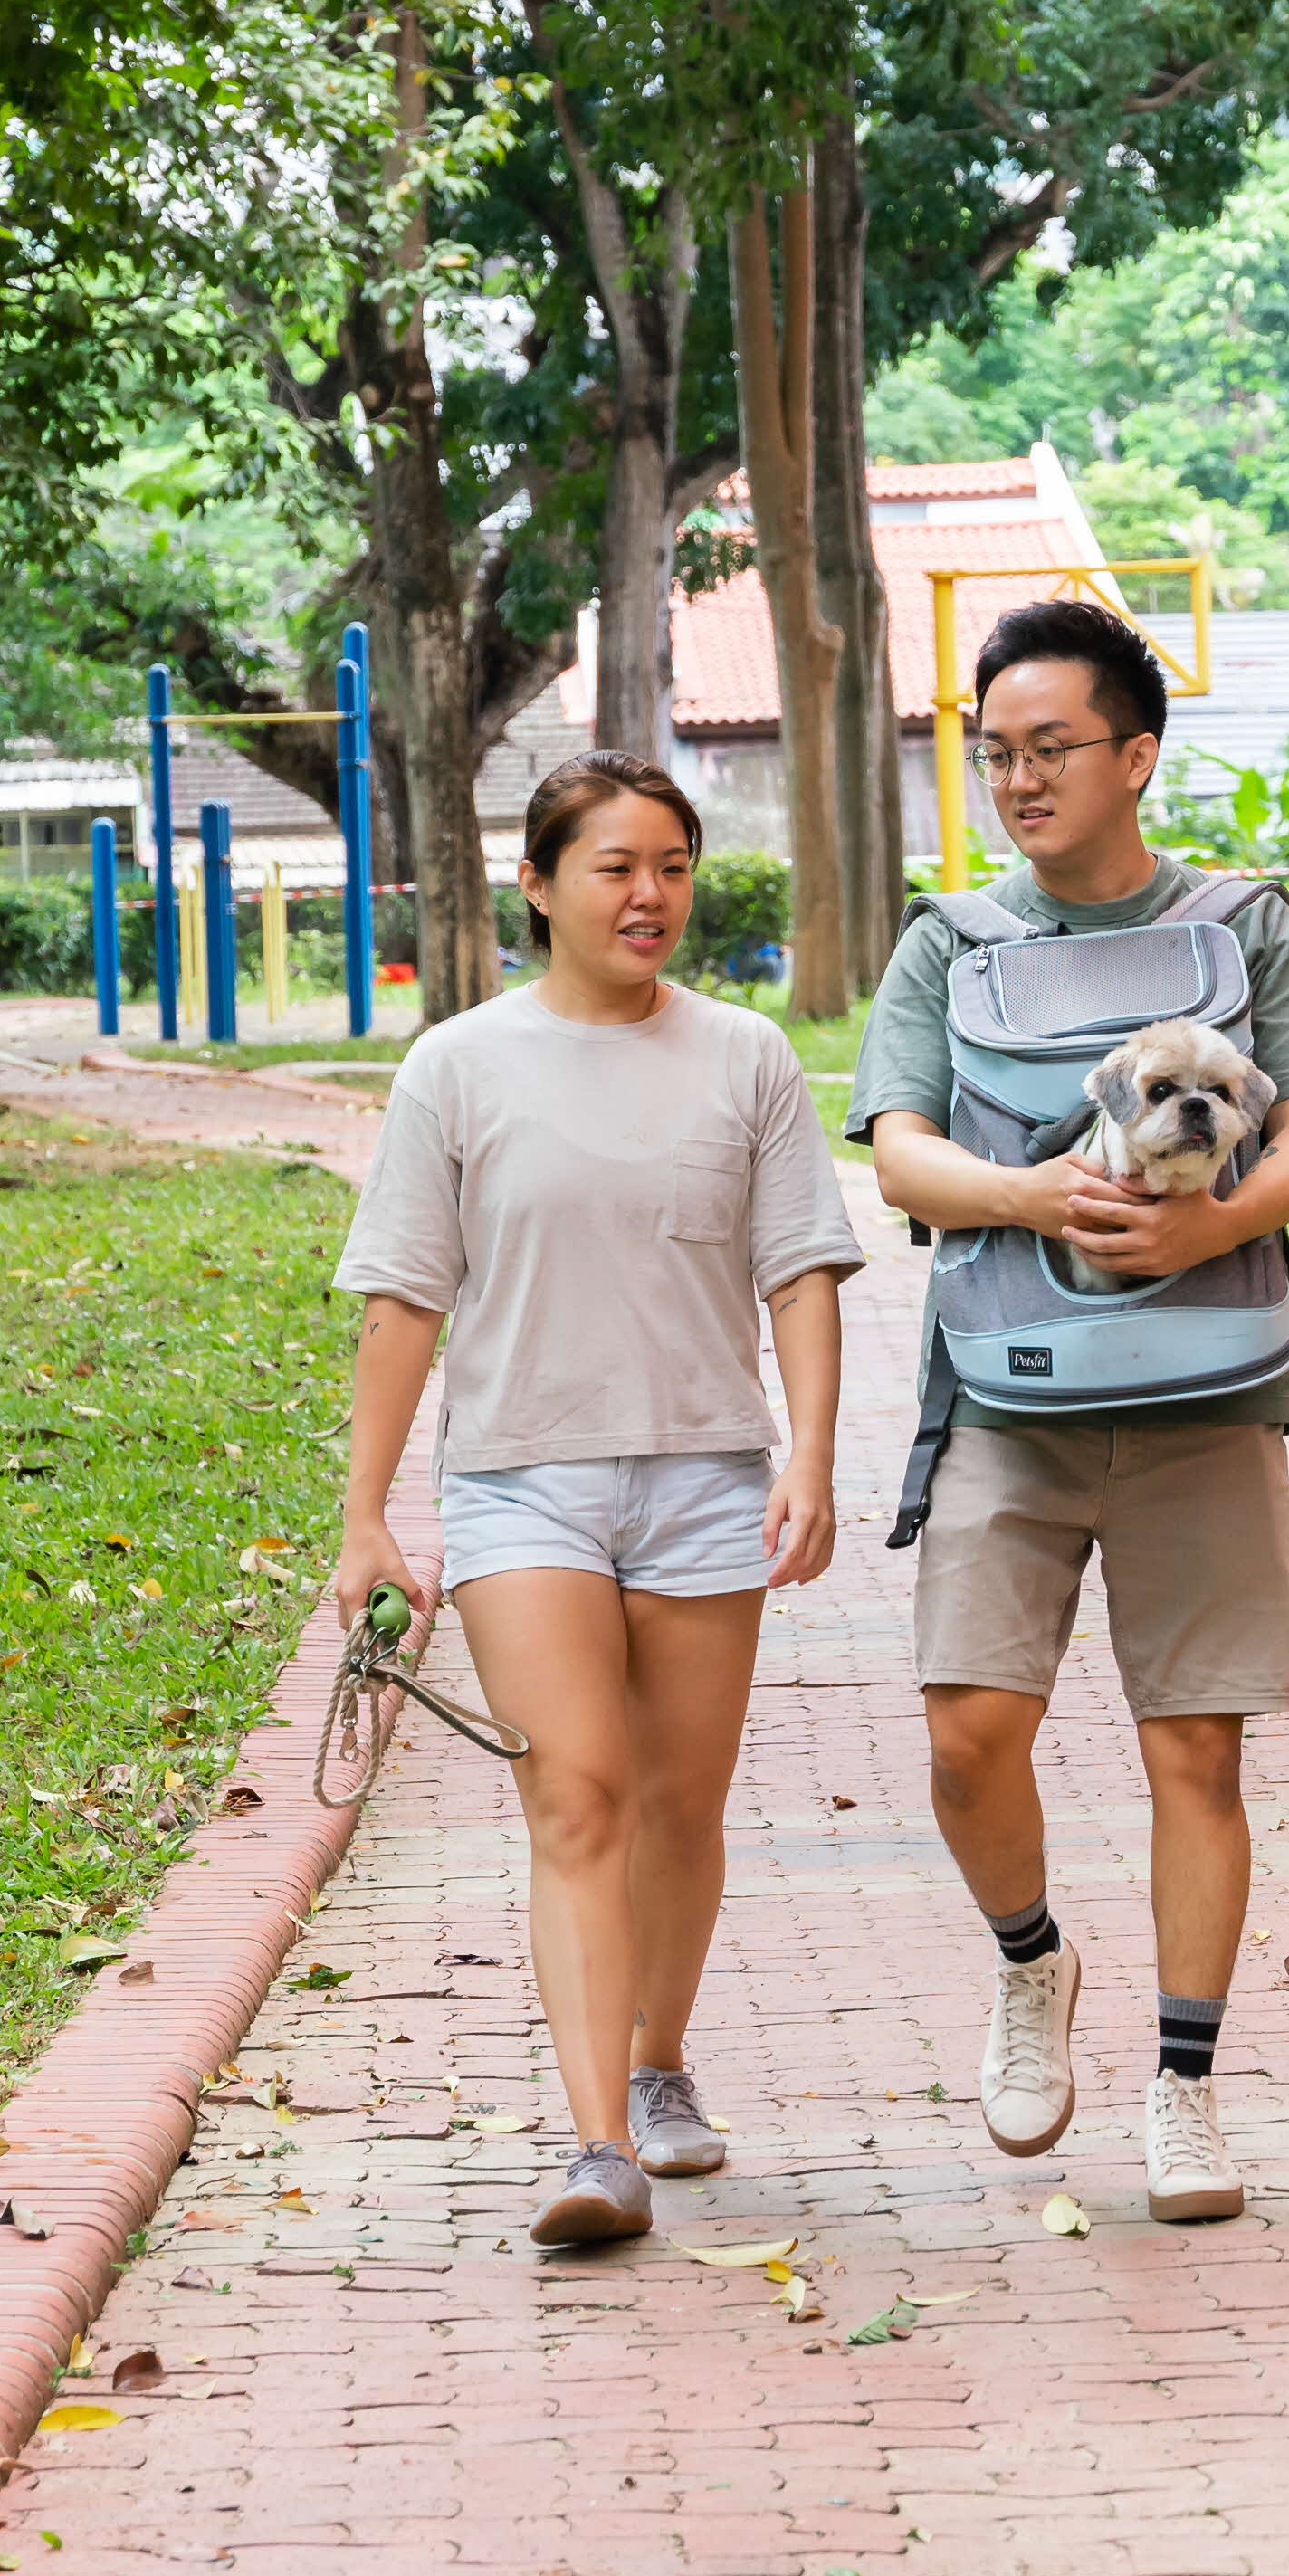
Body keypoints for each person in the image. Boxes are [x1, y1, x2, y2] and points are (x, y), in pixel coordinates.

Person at [321, 752, 860, 2253]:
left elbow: (801, 1270)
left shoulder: (746, 1055)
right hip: (519, 1483)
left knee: (680, 1805)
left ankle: (661, 2059)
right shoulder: (457, 1066)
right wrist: (368, 1519)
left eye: (675, 866)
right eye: (617, 866)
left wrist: (808, 1455)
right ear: (539, 886)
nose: (651, 895)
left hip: (703, 1475)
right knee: (576, 1799)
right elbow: (402, 1300)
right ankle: (597, 2143)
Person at [854, 596, 1289, 2221]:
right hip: (1009, 1385)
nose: (1017, 778)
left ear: (1137, 754)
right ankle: (1029, 1964)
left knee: (1193, 1748)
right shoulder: (950, 938)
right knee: (964, 1731)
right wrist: (1027, 1194)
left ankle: (1187, 2092)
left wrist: (1215, 1222)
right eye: (995, 751)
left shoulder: (1249, 924)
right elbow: (899, 1147)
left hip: (1210, 1390)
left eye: (1051, 747)